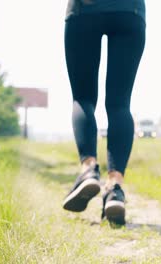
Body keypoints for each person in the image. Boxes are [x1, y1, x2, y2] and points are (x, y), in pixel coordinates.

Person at [61, 0, 146, 226]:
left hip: (84, 10)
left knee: (83, 98)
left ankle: (89, 170)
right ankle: (115, 188)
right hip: (129, 11)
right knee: (120, 105)